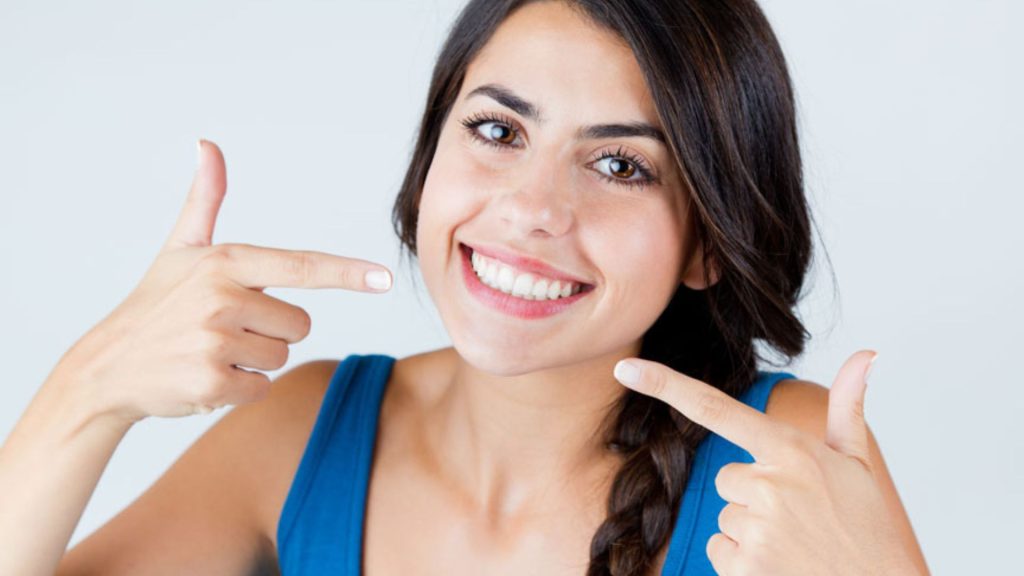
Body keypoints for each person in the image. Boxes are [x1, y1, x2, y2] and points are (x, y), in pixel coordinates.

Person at [0, 1, 930, 574]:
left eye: (619, 165)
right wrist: (91, 390)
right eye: (497, 132)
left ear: (708, 245)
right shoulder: (304, 433)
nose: (534, 209)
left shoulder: (785, 461)